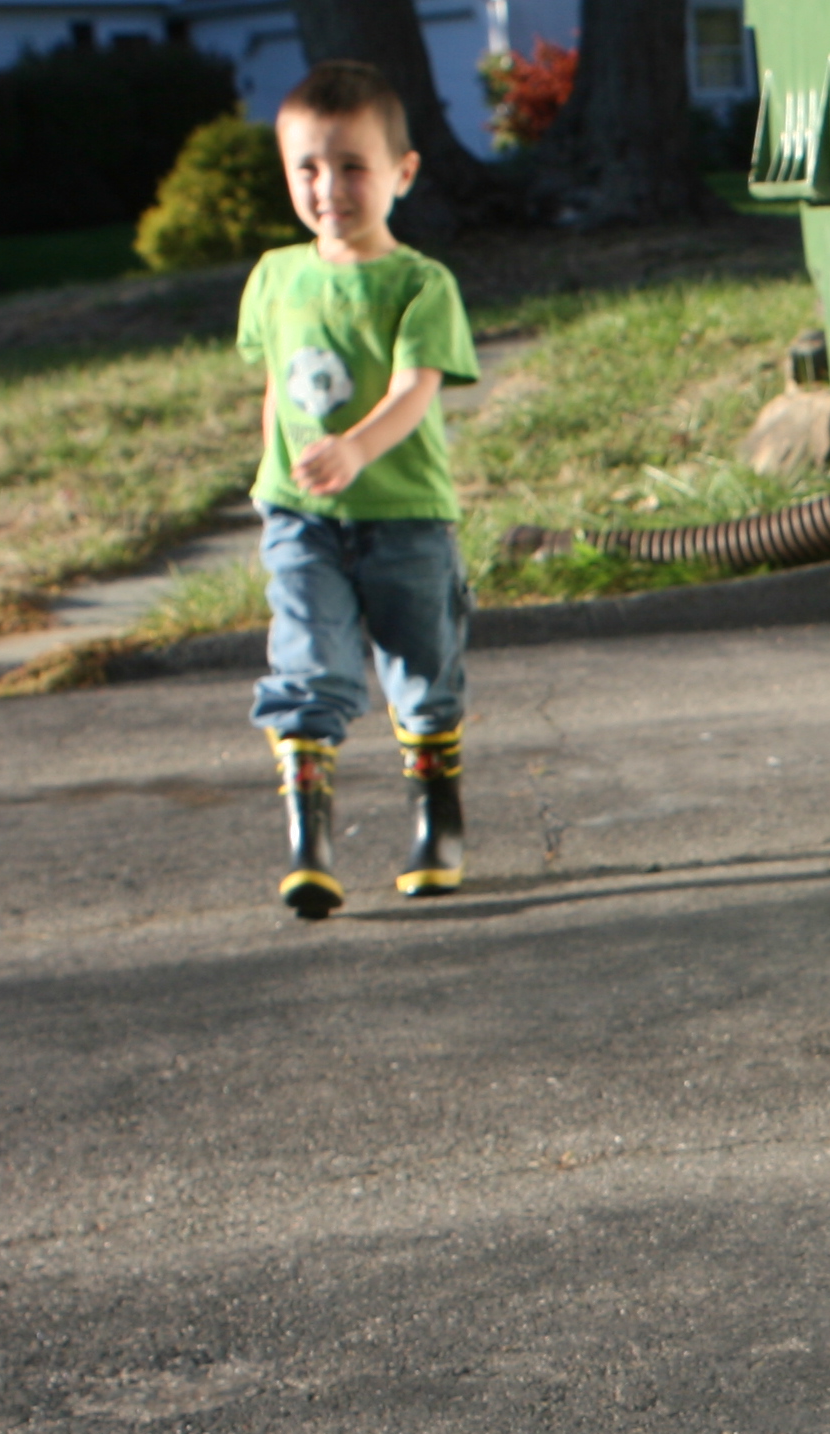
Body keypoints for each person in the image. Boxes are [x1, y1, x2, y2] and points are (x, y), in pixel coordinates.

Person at [233, 58, 478, 919]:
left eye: (351, 166)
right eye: (306, 167)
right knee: (309, 669)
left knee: (422, 667)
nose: (328, 187)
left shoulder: (421, 283)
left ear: (401, 173)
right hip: (301, 520)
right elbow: (277, 385)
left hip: (404, 516)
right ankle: (311, 845)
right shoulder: (274, 277)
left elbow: (415, 390)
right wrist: (271, 480)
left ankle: (437, 823)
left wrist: (356, 451)